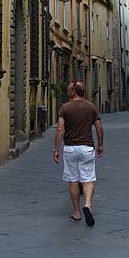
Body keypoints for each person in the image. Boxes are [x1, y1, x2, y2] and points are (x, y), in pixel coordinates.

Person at [54, 81, 104, 226]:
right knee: (88, 179)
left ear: (74, 91)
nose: (67, 91)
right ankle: (87, 204)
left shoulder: (65, 107)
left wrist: (56, 149)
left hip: (70, 148)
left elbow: (60, 129)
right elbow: (99, 128)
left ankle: (76, 212)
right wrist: (100, 145)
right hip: (87, 147)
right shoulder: (91, 107)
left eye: (69, 89)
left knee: (73, 180)